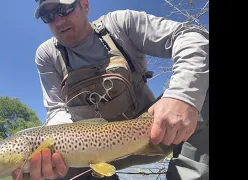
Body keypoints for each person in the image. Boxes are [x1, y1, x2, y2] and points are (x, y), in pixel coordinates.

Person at [12, 0, 209, 179]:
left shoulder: (120, 23)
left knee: (200, 85)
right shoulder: (46, 54)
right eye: (48, 16)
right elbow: (56, 110)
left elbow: (190, 36)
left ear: (85, 4)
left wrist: (182, 95)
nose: (58, 21)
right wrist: (56, 149)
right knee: (30, 171)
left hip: (158, 134)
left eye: (63, 9)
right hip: (86, 153)